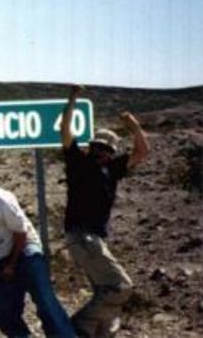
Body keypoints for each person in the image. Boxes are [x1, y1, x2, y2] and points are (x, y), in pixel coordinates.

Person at [60, 84, 149, 337]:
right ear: (91, 147)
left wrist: (133, 127)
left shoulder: (113, 169)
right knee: (121, 287)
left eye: (106, 149)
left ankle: (93, 331)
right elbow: (64, 131)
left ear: (112, 153)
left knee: (104, 291)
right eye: (97, 147)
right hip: (82, 236)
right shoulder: (78, 162)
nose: (101, 152)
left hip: (94, 238)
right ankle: (77, 326)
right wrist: (72, 99)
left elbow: (142, 152)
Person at [0, 160, 76, 338]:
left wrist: (12, 264)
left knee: (44, 301)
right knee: (0, 307)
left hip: (24, 249)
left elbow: (21, 233)